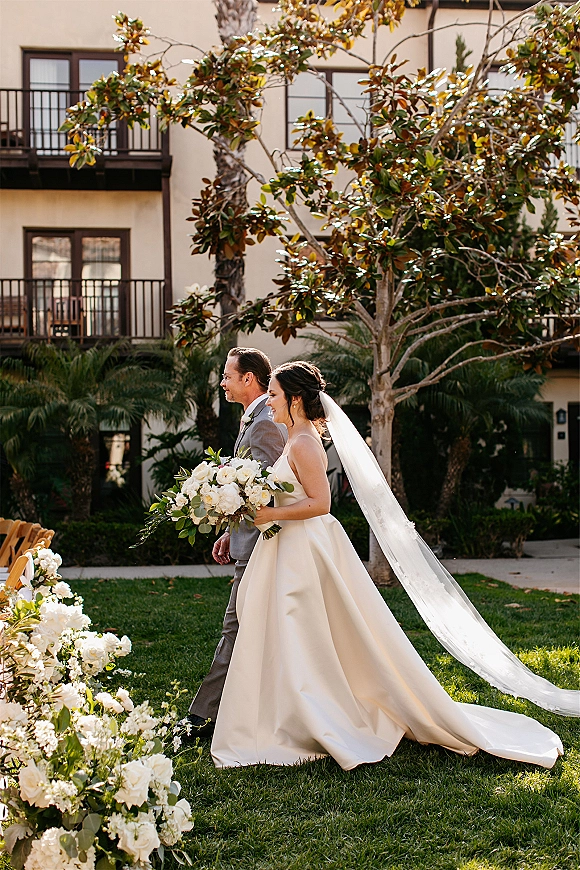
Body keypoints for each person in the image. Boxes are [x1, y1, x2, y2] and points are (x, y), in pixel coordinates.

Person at [210, 361, 568, 770]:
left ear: (294, 399)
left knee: (301, 629)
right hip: (288, 546)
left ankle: (309, 717)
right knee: (289, 631)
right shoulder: (294, 439)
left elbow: (321, 503)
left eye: (274, 395)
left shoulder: (305, 443)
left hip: (304, 550)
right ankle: (288, 713)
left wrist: (270, 514)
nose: (269, 402)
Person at [185, 347, 286, 737]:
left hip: (263, 547)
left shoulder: (264, 424)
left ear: (249, 378)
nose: (222, 383)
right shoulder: (253, 419)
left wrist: (243, 527)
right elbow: (250, 488)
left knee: (235, 627)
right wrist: (231, 529)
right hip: (249, 540)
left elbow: (270, 490)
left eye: (227, 376)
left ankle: (202, 716)